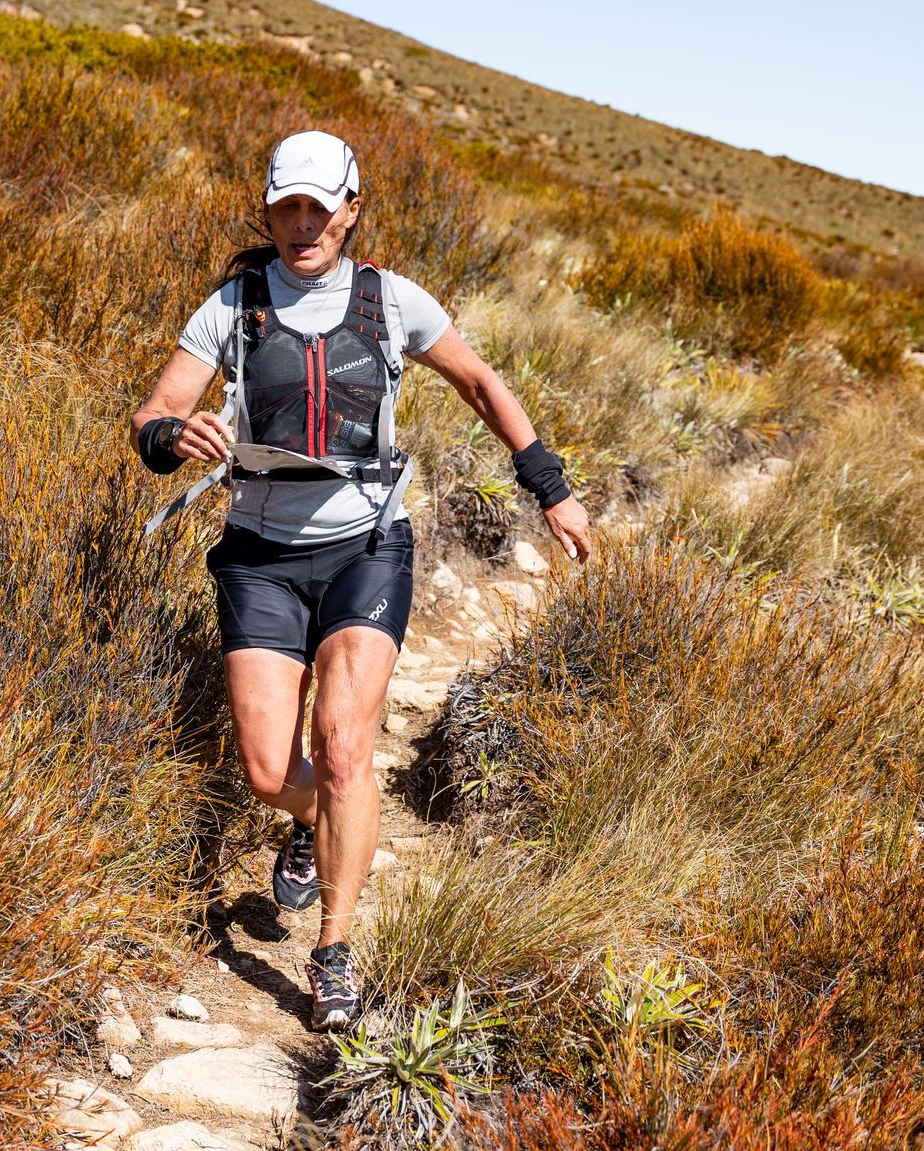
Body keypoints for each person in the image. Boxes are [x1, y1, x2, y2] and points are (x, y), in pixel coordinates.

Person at [129, 130, 594, 1030]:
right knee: (270, 770)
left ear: (350, 209)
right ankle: (316, 824)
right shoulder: (234, 307)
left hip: (365, 549)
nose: (303, 225)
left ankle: (332, 952)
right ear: (269, 212)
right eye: (287, 208)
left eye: (319, 207)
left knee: (343, 749)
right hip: (260, 557)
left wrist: (551, 488)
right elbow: (156, 411)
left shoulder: (391, 301)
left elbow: (479, 383)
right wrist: (170, 436)